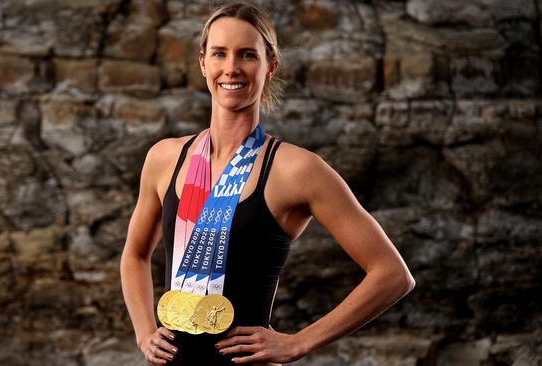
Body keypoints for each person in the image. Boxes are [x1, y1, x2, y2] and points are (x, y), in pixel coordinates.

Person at [120, 2, 415, 365]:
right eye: (219, 54)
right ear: (203, 63)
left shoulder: (297, 170)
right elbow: (134, 255)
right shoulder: (164, 158)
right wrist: (145, 332)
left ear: (269, 66)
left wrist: (299, 343)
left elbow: (392, 275)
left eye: (247, 55)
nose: (231, 68)